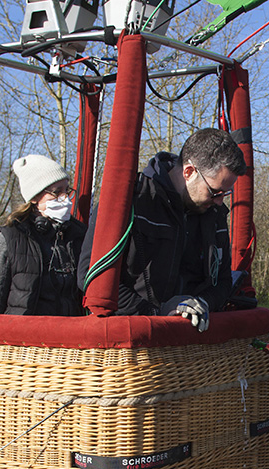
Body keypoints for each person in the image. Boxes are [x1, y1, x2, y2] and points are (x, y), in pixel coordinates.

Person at [77, 127, 246, 332]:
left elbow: (223, 281)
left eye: (225, 194)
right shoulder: (131, 201)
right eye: (214, 192)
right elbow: (91, 275)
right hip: (133, 339)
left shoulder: (212, 213)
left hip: (191, 344)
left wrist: (200, 303)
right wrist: (157, 314)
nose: (219, 202)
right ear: (189, 172)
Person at [0, 154, 87, 315]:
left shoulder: (78, 235)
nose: (65, 198)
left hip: (71, 334)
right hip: (23, 336)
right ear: (35, 197)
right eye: (56, 192)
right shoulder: (8, 239)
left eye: (67, 191)